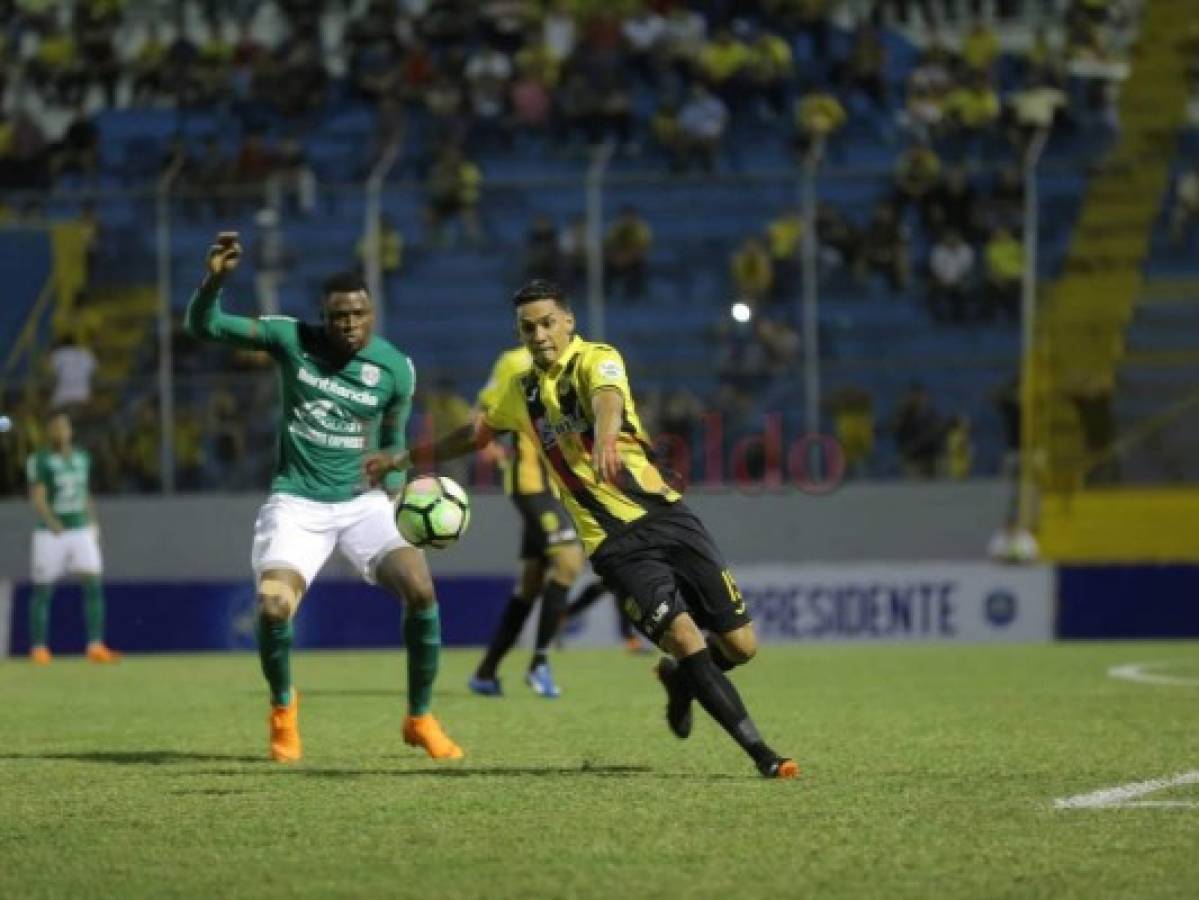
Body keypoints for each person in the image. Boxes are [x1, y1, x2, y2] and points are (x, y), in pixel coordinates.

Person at [364, 280, 798, 779]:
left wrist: (607, 439)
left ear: (568, 322)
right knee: (682, 634)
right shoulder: (519, 389)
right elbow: (473, 435)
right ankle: (763, 754)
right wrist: (403, 457)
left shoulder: (597, 358)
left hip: (667, 516)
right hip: (612, 541)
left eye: (547, 322)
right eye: (528, 327)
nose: (539, 334)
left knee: (741, 646)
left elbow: (607, 399)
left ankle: (681, 682)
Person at [184, 232, 463, 764]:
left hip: (363, 505)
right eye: (339, 316)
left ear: (371, 312)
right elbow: (204, 326)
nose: (350, 324)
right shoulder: (292, 340)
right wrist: (216, 280)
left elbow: (393, 438)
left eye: (359, 314)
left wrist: (401, 495)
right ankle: (283, 710)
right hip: (296, 504)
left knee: (422, 591)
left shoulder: (395, 368)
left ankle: (420, 717)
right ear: (324, 316)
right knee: (272, 607)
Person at [466, 345, 598, 698]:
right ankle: (539, 663)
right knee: (569, 561)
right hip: (530, 484)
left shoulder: (576, 361)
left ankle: (486, 672)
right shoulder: (512, 361)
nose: (543, 331)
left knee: (530, 583)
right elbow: (479, 411)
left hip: (559, 489)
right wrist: (487, 444)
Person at [26, 411, 121, 665]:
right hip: (51, 533)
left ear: (70, 431)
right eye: (55, 428)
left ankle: (95, 645)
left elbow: (85, 492)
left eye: (63, 428)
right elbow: (38, 495)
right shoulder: (40, 459)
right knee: (43, 589)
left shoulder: (82, 458)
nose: (60, 433)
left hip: (80, 529)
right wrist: (52, 522)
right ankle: (39, 648)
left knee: (93, 584)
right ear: (50, 433)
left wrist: (93, 522)